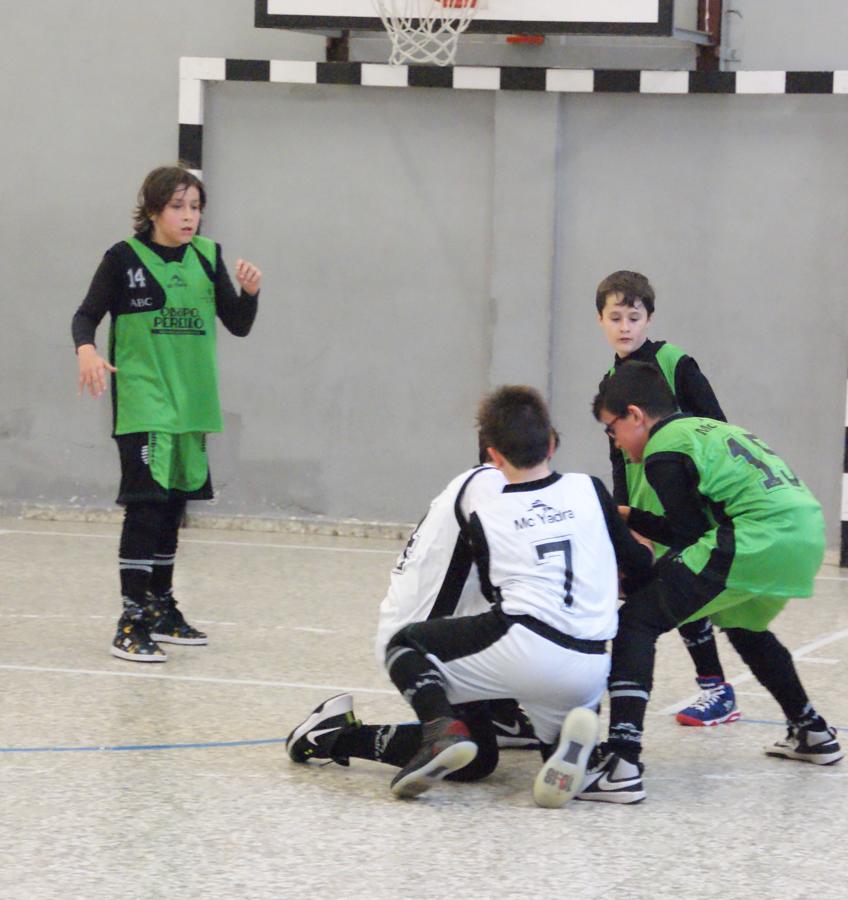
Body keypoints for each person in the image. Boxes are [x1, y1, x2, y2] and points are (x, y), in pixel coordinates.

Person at [292, 386, 654, 807]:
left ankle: (442, 727)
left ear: (495, 454)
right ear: (553, 443)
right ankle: (578, 759)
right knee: (487, 743)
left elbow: (496, 586)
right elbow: (631, 563)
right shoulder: (586, 488)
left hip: (498, 643)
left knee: (419, 659)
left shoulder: (490, 505)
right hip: (590, 664)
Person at [581, 361, 843, 804]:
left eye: (612, 429)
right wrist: (632, 517)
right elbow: (698, 527)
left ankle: (622, 763)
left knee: (638, 620)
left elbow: (688, 538)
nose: (615, 441)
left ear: (635, 415)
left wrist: (635, 559)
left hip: (757, 535)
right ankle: (811, 730)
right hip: (805, 531)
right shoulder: (706, 429)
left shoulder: (663, 449)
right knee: (743, 626)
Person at [72, 164, 261, 662]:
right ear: (154, 210)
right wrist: (86, 349)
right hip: (144, 400)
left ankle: (160, 607)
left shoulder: (207, 257)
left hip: (191, 404)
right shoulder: (123, 259)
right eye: (178, 206)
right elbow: (86, 315)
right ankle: (131, 619)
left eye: (195, 207)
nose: (188, 216)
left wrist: (250, 293)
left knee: (173, 506)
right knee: (146, 505)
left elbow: (238, 324)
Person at [287, 458, 538, 783]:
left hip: (437, 630)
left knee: (523, 630)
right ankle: (333, 735)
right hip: (419, 647)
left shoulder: (485, 483)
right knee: (477, 759)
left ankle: (501, 716)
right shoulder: (488, 484)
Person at [595, 270, 739, 727]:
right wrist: (625, 519)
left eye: (633, 317)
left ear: (649, 319)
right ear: (600, 321)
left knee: (692, 599)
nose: (625, 326)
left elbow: (717, 427)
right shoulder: (610, 381)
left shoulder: (676, 364)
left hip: (685, 507)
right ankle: (703, 688)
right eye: (615, 317)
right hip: (645, 510)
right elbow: (618, 457)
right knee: (653, 598)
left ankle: (716, 689)